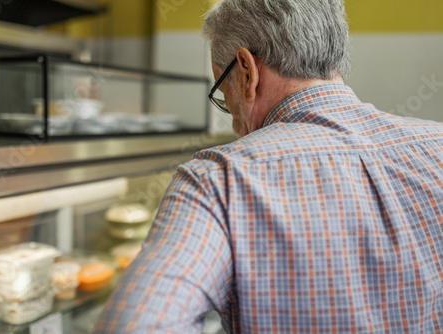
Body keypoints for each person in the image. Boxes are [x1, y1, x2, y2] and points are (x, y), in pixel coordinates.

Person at [95, 0, 443, 332]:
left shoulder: (218, 178)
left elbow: (136, 325)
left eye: (223, 90)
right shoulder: (437, 142)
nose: (233, 123)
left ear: (246, 70)